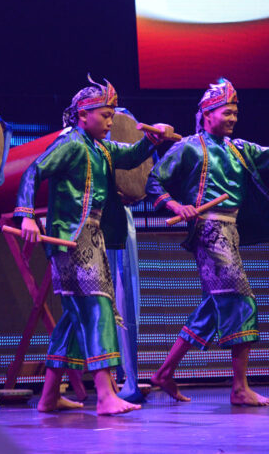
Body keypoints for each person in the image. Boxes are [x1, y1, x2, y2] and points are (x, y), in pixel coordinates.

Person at [15, 76, 176, 415]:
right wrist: (27, 215)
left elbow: (131, 157)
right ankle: (105, 395)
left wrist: (152, 139)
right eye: (105, 115)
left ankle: (47, 397)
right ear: (82, 115)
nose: (110, 121)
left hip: (92, 236)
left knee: (75, 317)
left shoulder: (100, 147)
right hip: (71, 238)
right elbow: (33, 171)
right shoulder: (71, 143)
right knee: (99, 307)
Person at [147, 78, 269, 406]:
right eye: (227, 113)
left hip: (231, 231)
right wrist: (176, 205)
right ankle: (240, 388)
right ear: (207, 113)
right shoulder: (189, 146)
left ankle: (164, 373)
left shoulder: (239, 149)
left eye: (235, 113)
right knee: (242, 301)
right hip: (209, 231)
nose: (233, 118)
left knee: (213, 309)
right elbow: (154, 180)